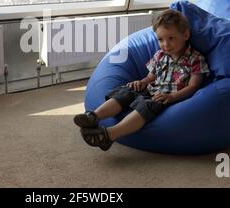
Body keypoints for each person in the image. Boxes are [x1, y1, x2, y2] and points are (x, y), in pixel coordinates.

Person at [74, 9, 210, 151]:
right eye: (160, 39)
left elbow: (193, 86)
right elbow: (151, 77)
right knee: (126, 91)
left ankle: (109, 135)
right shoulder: (160, 55)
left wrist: (172, 96)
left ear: (186, 35)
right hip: (151, 89)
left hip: (167, 98)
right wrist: (142, 82)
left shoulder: (195, 59)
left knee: (148, 106)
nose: (165, 44)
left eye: (171, 38)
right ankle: (94, 116)